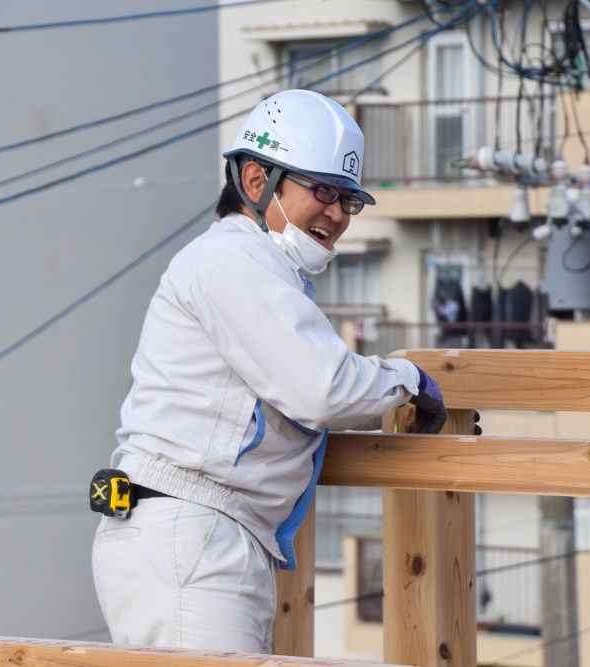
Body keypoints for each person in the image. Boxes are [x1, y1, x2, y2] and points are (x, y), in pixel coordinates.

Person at [91, 89, 448, 654]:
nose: (335, 213)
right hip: (194, 535)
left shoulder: (257, 268)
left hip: (201, 534)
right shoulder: (235, 261)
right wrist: (406, 380)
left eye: (348, 201)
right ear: (257, 182)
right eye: (323, 191)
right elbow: (325, 388)